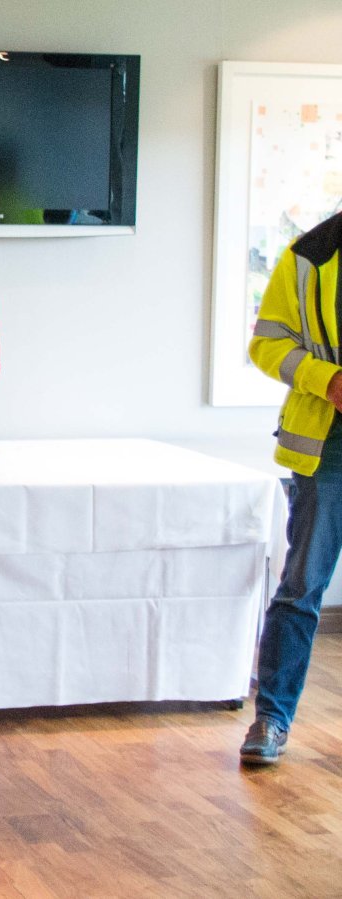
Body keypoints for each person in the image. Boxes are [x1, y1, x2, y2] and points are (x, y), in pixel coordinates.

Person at [239, 210, 342, 765]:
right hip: (327, 453)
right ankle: (271, 720)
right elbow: (267, 344)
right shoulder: (311, 255)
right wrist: (328, 380)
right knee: (301, 587)